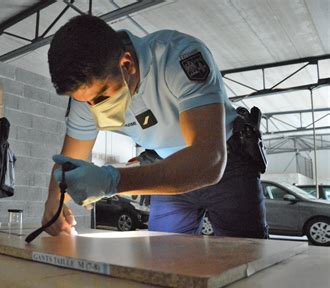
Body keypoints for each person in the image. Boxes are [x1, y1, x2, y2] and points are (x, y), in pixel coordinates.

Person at [42, 15, 268, 239]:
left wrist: (111, 181)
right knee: (164, 258)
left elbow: (208, 160)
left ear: (127, 64)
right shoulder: (83, 97)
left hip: (227, 163)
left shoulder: (179, 57)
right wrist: (54, 202)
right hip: (166, 168)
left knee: (246, 253)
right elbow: (69, 161)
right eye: (86, 101)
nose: (93, 108)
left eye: (101, 97)